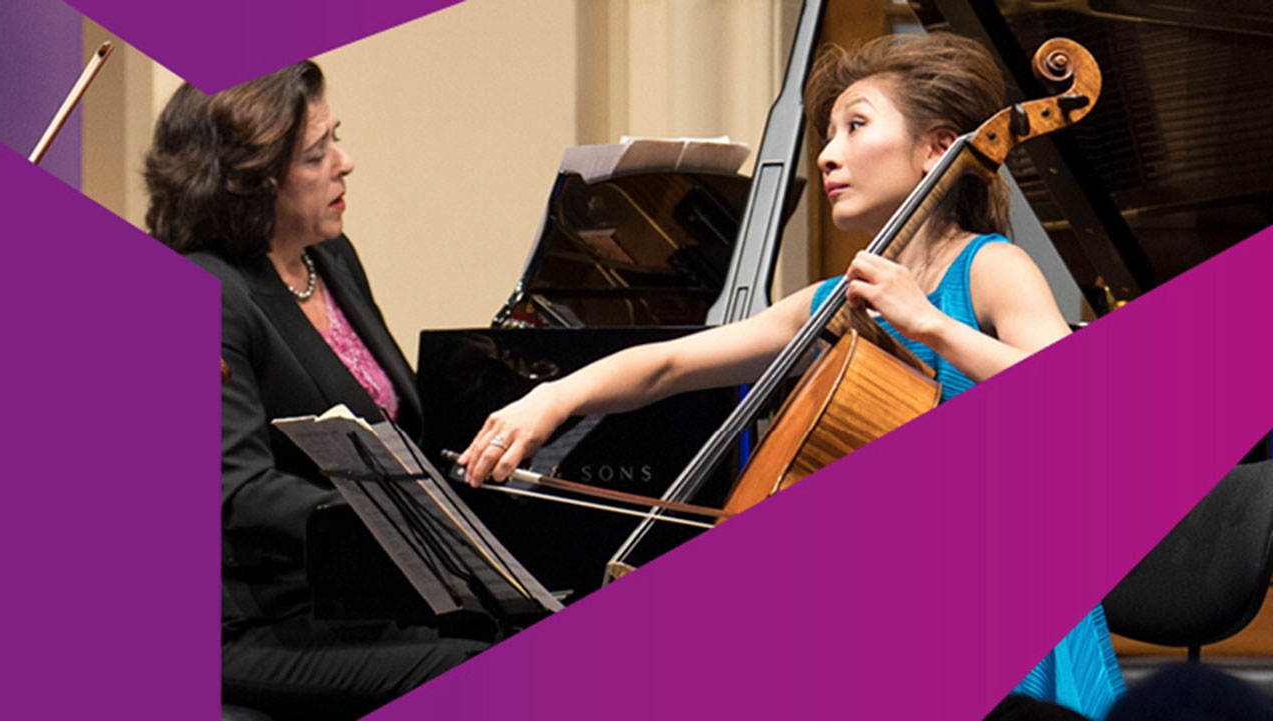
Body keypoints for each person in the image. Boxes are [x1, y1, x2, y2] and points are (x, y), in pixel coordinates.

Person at [458, 33, 1123, 719]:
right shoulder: (835, 298)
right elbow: (671, 362)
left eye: (856, 125)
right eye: (828, 132)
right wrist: (553, 396)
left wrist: (930, 324)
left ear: (937, 148)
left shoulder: (990, 268)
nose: (828, 153)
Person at [145, 61, 485, 720]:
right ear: (249, 182)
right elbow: (238, 490)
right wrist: (403, 515)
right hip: (256, 623)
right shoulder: (206, 293)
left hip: (360, 596)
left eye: (336, 138)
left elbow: (391, 421)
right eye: (316, 152)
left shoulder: (330, 260)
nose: (345, 162)